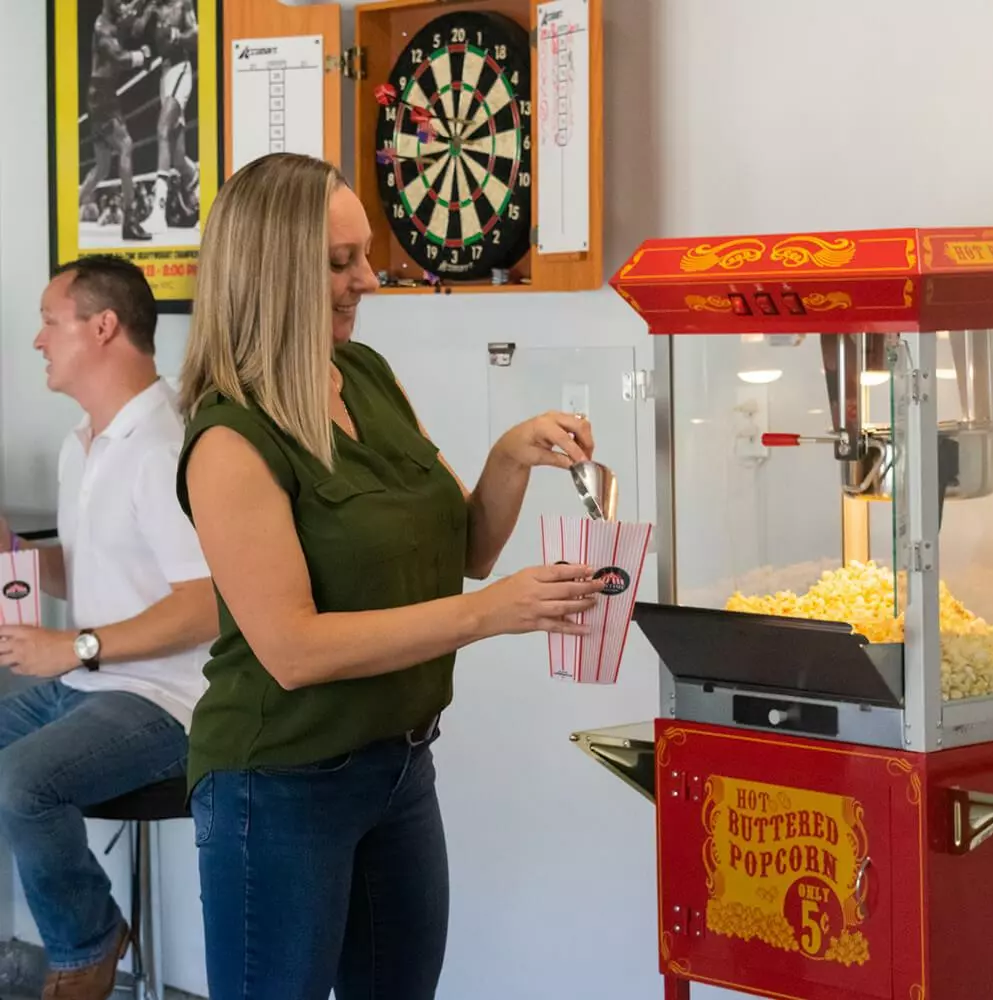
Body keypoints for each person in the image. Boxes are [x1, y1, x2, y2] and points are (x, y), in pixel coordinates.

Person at [176, 152, 604, 1000]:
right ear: (270, 273)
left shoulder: (365, 377)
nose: (367, 280)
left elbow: (466, 551)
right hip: (280, 786)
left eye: (365, 255)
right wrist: (486, 616)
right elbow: (293, 650)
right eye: (339, 264)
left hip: (402, 768)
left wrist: (510, 456)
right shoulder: (229, 440)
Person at [0, 255, 218, 1000]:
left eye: (49, 322)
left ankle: (87, 945)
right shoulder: (81, 444)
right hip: (89, 683)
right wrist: (16, 560)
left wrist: (74, 646)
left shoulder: (164, 449)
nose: (37, 341)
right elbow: (102, 575)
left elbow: (205, 605)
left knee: (23, 780)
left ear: (102, 327)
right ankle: (88, 928)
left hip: (168, 702)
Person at [78, 0, 154, 242]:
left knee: (101, 168)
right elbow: (120, 58)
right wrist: (142, 55)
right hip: (102, 98)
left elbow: (132, 14)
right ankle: (129, 220)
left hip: (101, 95)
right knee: (125, 146)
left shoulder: (114, 18)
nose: (123, 5)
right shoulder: (102, 28)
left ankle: (67, 208)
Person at [142, 0, 200, 233]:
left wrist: (179, 36)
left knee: (162, 131)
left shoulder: (182, 4)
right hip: (164, 75)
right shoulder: (154, 7)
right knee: (178, 158)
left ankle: (159, 212)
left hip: (180, 70)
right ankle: (198, 187)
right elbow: (135, 30)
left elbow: (197, 36)